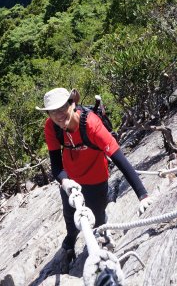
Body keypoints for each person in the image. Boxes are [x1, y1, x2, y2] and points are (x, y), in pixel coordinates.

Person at [36, 87, 151, 255]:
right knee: (70, 216)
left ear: (72, 104)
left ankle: (102, 238)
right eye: (53, 112)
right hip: (71, 181)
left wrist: (143, 195)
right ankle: (70, 239)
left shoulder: (91, 124)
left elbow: (119, 159)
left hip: (96, 178)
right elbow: (55, 166)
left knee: (97, 220)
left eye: (62, 108)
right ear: (49, 116)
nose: (59, 115)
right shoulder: (52, 127)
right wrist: (64, 181)